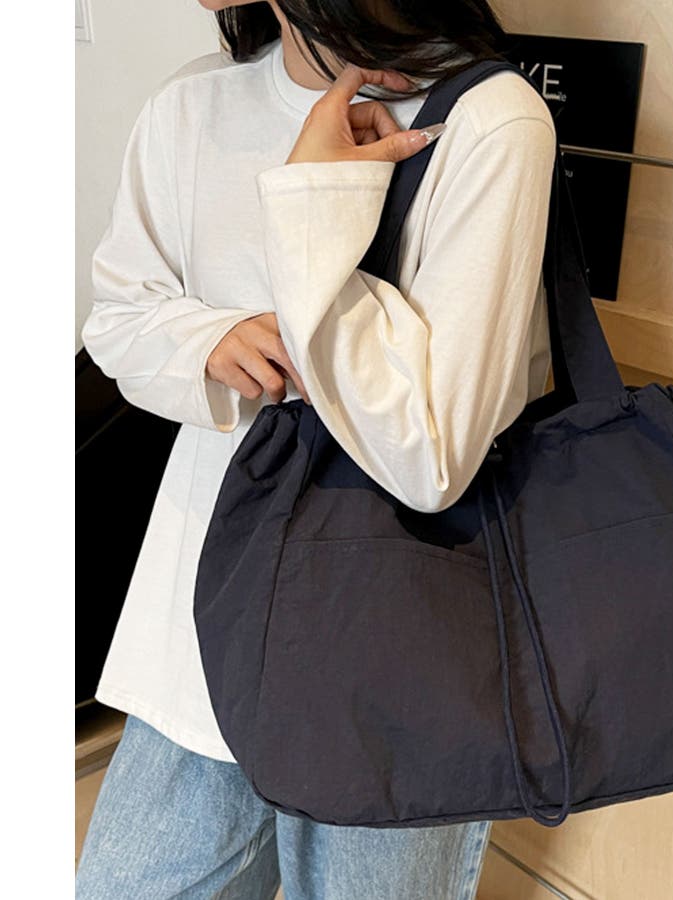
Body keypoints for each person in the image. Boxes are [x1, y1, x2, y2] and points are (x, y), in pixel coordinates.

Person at [75, 0, 556, 896]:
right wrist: (206, 341)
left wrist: (315, 206)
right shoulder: (192, 104)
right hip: (202, 630)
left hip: (401, 662)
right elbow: (119, 317)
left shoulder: (488, 120)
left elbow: (431, 454)